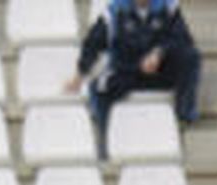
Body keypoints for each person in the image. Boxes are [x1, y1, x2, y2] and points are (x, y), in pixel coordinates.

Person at [66, 0, 201, 154]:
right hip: (128, 71)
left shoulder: (168, 7)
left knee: (190, 57)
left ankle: (184, 115)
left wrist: (159, 52)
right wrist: (79, 74)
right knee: (100, 87)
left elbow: (183, 39)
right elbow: (93, 42)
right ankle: (105, 144)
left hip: (160, 71)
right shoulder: (114, 11)